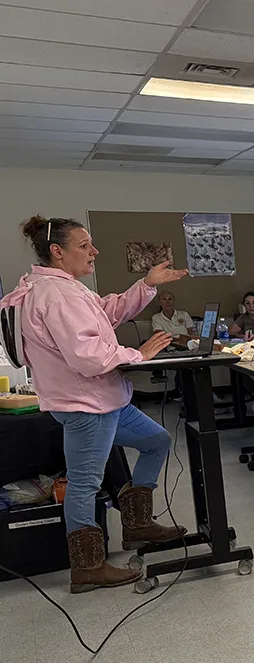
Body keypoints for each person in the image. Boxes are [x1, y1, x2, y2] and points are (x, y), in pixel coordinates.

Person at [0, 215, 189, 593]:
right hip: (86, 404)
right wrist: (138, 354)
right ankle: (87, 568)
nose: (94, 251)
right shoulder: (56, 295)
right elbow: (88, 355)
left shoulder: (63, 288)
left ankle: (136, 524)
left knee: (156, 440)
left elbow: (105, 313)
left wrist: (145, 285)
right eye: (85, 245)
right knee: (85, 485)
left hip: (105, 400)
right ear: (57, 251)